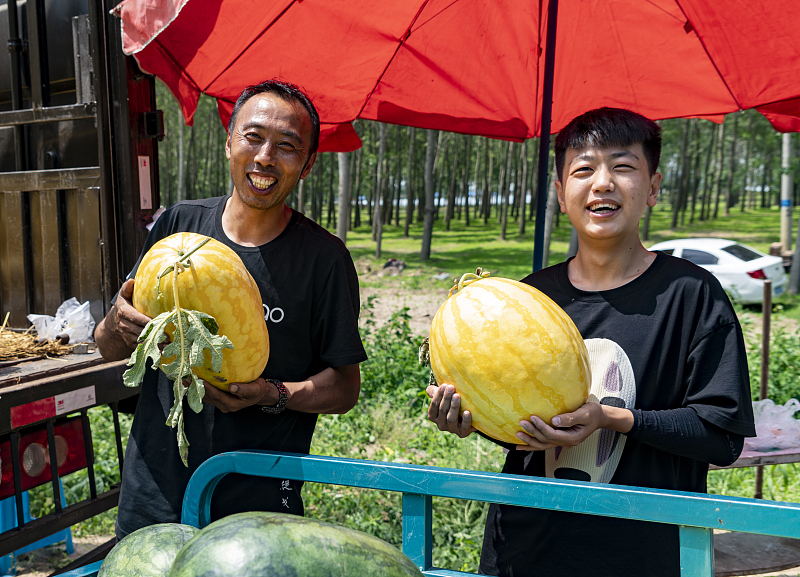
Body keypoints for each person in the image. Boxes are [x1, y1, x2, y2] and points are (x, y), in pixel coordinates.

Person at [426, 107, 755, 577]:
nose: (602, 183)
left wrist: (612, 418)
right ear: (561, 193)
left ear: (653, 187)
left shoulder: (691, 294)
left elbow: (721, 438)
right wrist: (471, 420)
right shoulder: (528, 296)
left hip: (643, 558)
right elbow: (515, 423)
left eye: (622, 166)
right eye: (583, 170)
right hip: (525, 551)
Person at [95, 80, 367, 538]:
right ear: (228, 144)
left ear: (308, 164)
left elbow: (344, 387)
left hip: (258, 501)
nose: (265, 157)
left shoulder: (324, 259)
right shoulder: (179, 226)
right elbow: (107, 346)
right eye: (253, 137)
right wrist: (117, 324)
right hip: (154, 490)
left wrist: (271, 393)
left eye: (287, 146)